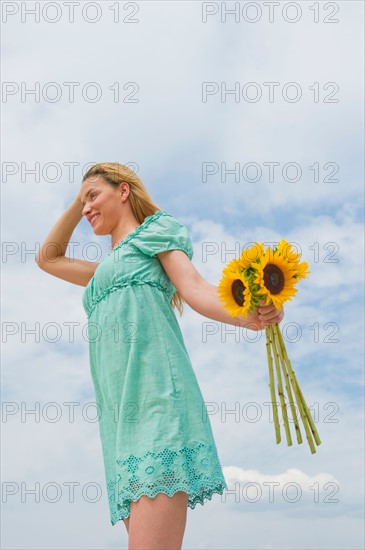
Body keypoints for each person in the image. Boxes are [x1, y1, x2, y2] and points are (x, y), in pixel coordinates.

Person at [35, 162, 284, 549]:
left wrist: (246, 314)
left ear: (123, 191)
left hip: (157, 405)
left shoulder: (156, 233)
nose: (86, 210)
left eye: (94, 197)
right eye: (83, 202)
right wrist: (80, 197)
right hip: (120, 420)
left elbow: (195, 287)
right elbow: (48, 258)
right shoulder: (104, 270)